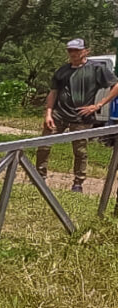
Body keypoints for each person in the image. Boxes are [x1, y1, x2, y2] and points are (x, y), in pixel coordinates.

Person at [38, 38, 118, 193]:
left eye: (76, 50)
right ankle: (39, 177)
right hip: (58, 114)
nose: (73, 53)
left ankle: (78, 183)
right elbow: (53, 92)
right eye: (70, 50)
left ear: (85, 51)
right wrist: (48, 113)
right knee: (43, 145)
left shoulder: (96, 69)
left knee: (80, 151)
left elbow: (116, 85)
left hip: (82, 117)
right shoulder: (62, 70)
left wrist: (99, 105)